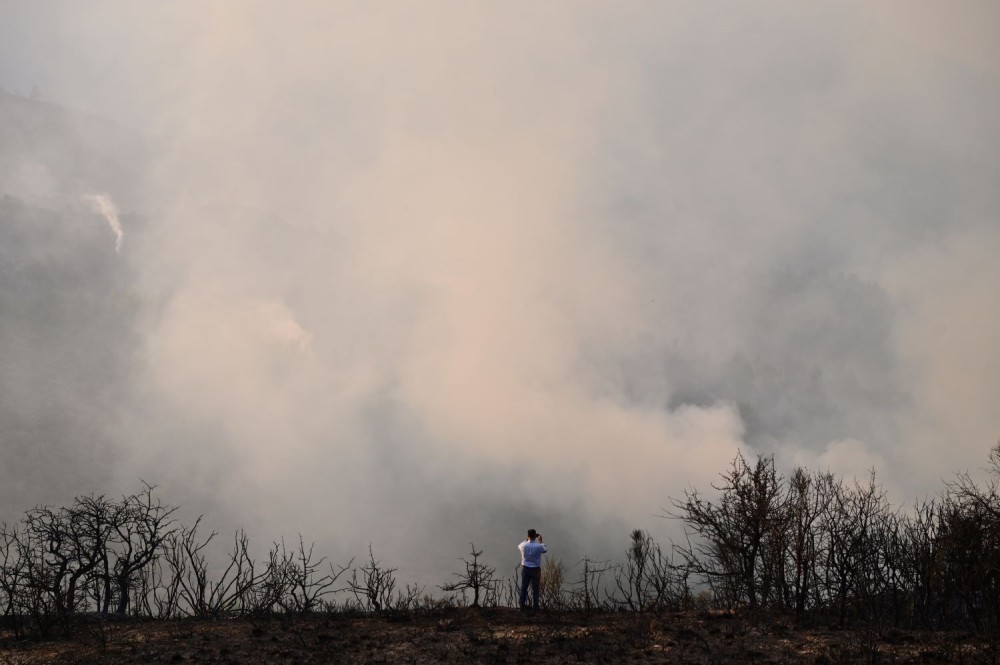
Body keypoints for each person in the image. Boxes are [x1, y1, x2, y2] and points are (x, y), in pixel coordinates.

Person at [518, 528, 547, 610]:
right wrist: (541, 541)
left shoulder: (523, 545)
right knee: (535, 589)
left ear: (528, 535)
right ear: (535, 536)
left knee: (524, 588)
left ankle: (522, 606)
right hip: (536, 569)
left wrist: (527, 539)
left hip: (525, 568)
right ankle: (535, 608)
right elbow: (545, 550)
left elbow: (519, 545)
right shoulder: (538, 546)